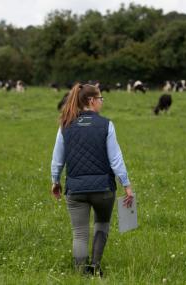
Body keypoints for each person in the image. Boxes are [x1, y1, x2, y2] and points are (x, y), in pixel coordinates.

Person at [51, 83, 133, 276]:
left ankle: (81, 274)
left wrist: (55, 181)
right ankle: (95, 266)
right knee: (102, 226)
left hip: (75, 189)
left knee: (79, 233)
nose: (101, 103)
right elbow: (116, 159)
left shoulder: (65, 124)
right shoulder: (106, 124)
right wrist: (126, 185)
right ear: (91, 100)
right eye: (100, 99)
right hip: (103, 189)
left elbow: (57, 159)